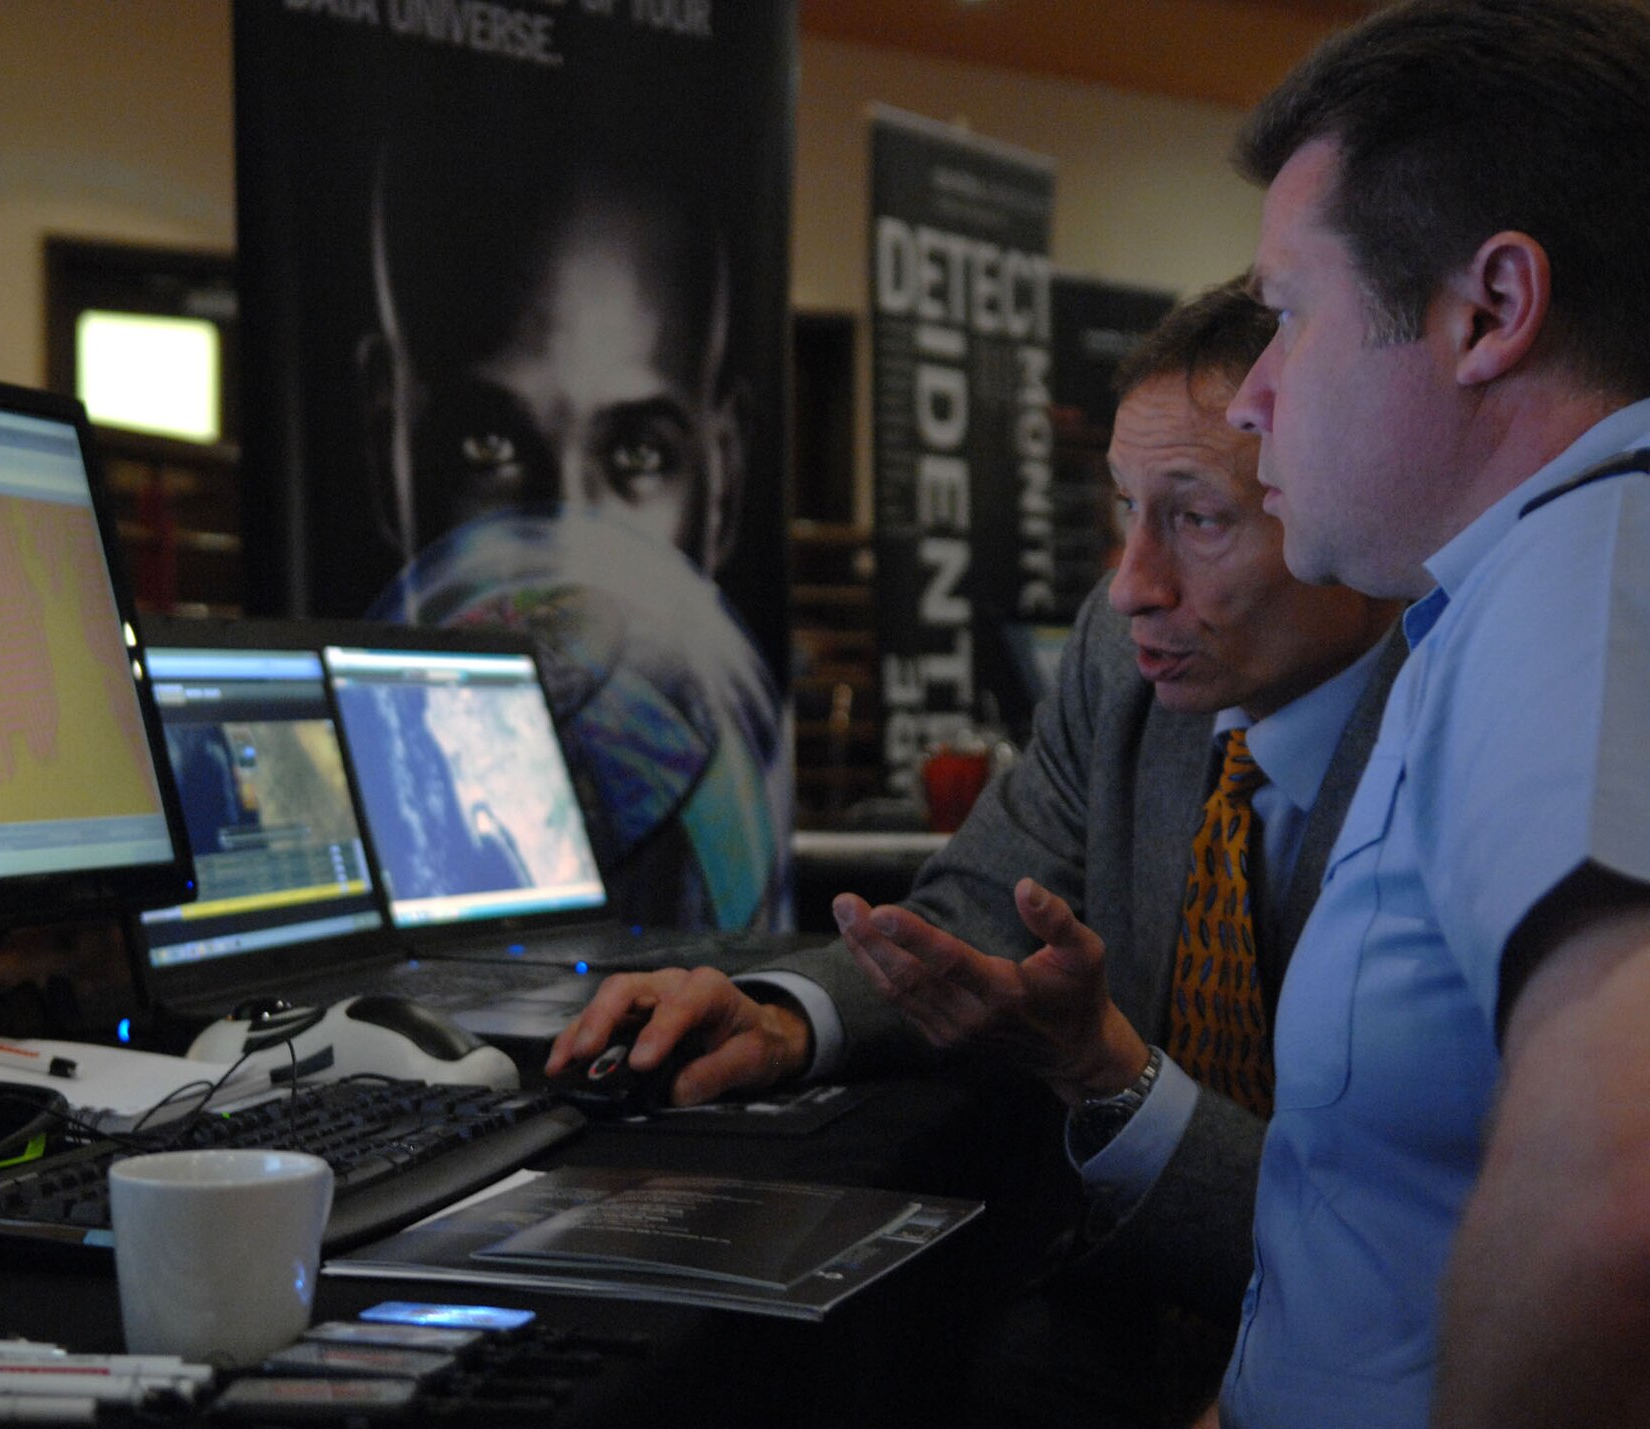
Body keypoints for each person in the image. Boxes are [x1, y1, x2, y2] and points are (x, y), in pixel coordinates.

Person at [549, 278, 1404, 1422]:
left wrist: (1108, 1075)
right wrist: (784, 1016)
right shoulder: (1124, 655)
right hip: (1110, 1316)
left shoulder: (1470, 731)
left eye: (1198, 518)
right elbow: (973, 909)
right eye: (1123, 509)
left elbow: (1405, 1246)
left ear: (1351, 504)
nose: (1130, 586)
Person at [1152, 2, 1650, 1423]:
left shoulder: (1588, 570)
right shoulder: (1507, 588)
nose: (1253, 399)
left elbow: (1615, 1210)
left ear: (1487, 311)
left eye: (1287, 315)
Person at [355, 108, 789, 933]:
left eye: (638, 452)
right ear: (387, 443)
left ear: (726, 476)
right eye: (489, 445)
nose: (567, 553)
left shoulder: (720, 825)